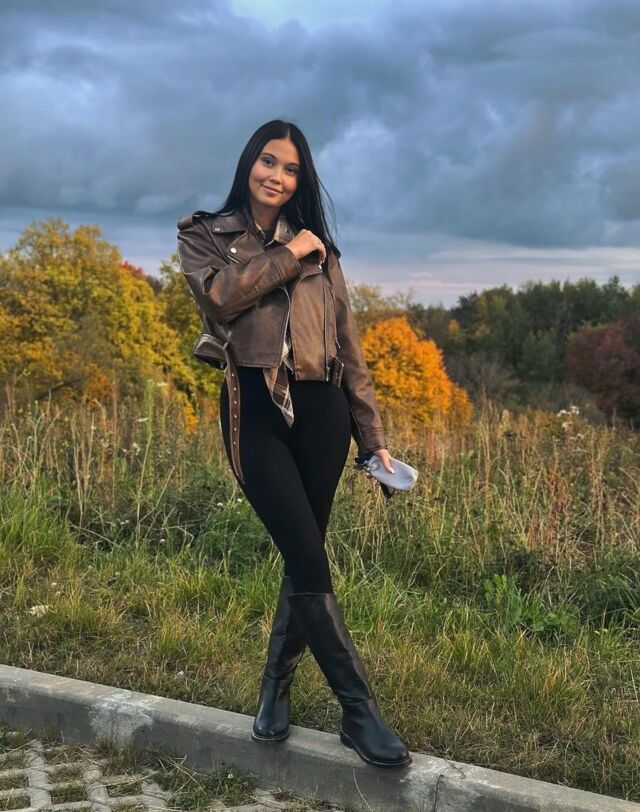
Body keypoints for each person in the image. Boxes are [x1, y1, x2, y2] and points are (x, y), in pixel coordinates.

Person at [176, 119, 411, 769]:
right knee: (307, 557)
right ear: (248, 163)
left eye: (291, 169)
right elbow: (220, 299)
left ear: (301, 181)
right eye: (268, 161)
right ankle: (357, 710)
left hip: (323, 413)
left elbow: (350, 349)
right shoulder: (205, 235)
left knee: (303, 556)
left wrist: (373, 437)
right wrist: (289, 253)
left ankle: (275, 687)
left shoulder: (323, 253)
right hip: (254, 413)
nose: (276, 176)